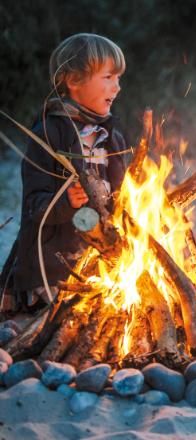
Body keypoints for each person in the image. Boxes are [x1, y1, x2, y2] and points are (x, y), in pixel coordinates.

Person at [0, 33, 127, 315]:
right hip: (52, 270)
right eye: (108, 77)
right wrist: (66, 202)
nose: (117, 87)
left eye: (118, 78)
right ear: (74, 81)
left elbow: (120, 200)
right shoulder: (48, 133)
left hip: (98, 265)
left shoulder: (112, 138)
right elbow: (34, 205)